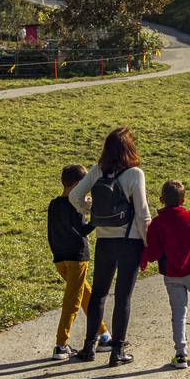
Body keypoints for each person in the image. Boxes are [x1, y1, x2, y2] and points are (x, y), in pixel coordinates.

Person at [67, 126, 151, 366]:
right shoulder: (135, 174)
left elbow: (75, 197)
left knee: (99, 295)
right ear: (129, 148)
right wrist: (148, 242)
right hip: (129, 241)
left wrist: (89, 209)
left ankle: (88, 347)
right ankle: (117, 351)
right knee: (123, 296)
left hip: (104, 240)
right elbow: (143, 214)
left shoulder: (97, 171)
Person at [142, 179, 190, 367]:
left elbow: (154, 252)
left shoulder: (157, 224)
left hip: (172, 274)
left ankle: (180, 353)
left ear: (161, 199)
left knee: (179, 313)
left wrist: (144, 259)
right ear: (183, 200)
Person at [46, 164, 112, 358]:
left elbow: (52, 232)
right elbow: (82, 231)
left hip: (60, 259)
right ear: (77, 185)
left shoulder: (54, 204)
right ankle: (61, 344)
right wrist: (94, 217)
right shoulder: (75, 206)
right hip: (77, 257)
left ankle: (104, 334)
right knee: (73, 301)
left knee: (85, 295)